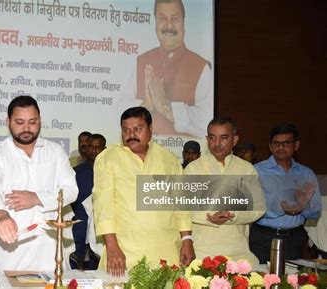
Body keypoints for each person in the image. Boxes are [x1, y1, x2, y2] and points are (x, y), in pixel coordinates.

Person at [0, 95, 78, 272]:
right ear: (8, 121)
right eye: (19, 122)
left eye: (32, 122)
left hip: (50, 249)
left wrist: (36, 198)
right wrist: (2, 217)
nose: (26, 128)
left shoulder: (55, 152)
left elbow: (71, 190)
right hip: (11, 249)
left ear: (40, 120)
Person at [93, 106, 194, 276]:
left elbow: (181, 205)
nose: (131, 134)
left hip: (167, 251)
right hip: (125, 252)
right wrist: (112, 247)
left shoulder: (168, 159)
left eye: (138, 129)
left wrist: (187, 239)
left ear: (150, 130)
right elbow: (104, 206)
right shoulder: (108, 158)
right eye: (126, 130)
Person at [184, 117, 266, 264]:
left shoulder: (246, 169)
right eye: (212, 137)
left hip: (238, 253)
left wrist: (233, 214)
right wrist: (210, 215)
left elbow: (259, 209)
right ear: (206, 139)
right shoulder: (193, 169)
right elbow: (183, 209)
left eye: (223, 138)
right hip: (202, 252)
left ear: (234, 140)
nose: (216, 143)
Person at [136, 0, 213, 137]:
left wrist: (165, 107)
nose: (169, 25)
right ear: (155, 22)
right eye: (162, 19)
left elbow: (207, 123)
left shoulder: (201, 67)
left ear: (184, 22)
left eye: (175, 19)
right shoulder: (141, 62)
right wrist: (147, 104)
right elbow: (118, 111)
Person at [250, 123, 322, 263]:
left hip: (293, 239)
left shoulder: (306, 173)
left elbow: (316, 212)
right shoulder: (256, 171)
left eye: (286, 143)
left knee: (290, 281)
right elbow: (251, 207)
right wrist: (286, 209)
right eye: (276, 143)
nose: (281, 147)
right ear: (270, 146)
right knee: (260, 280)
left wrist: (302, 207)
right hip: (263, 237)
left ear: (296, 145)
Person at [70, 133, 106, 270]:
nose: (93, 150)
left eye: (98, 147)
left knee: (97, 269)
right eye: (91, 147)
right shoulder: (75, 173)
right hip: (80, 227)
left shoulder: (109, 172)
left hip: (101, 230)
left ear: (104, 149)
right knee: (76, 268)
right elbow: (71, 200)